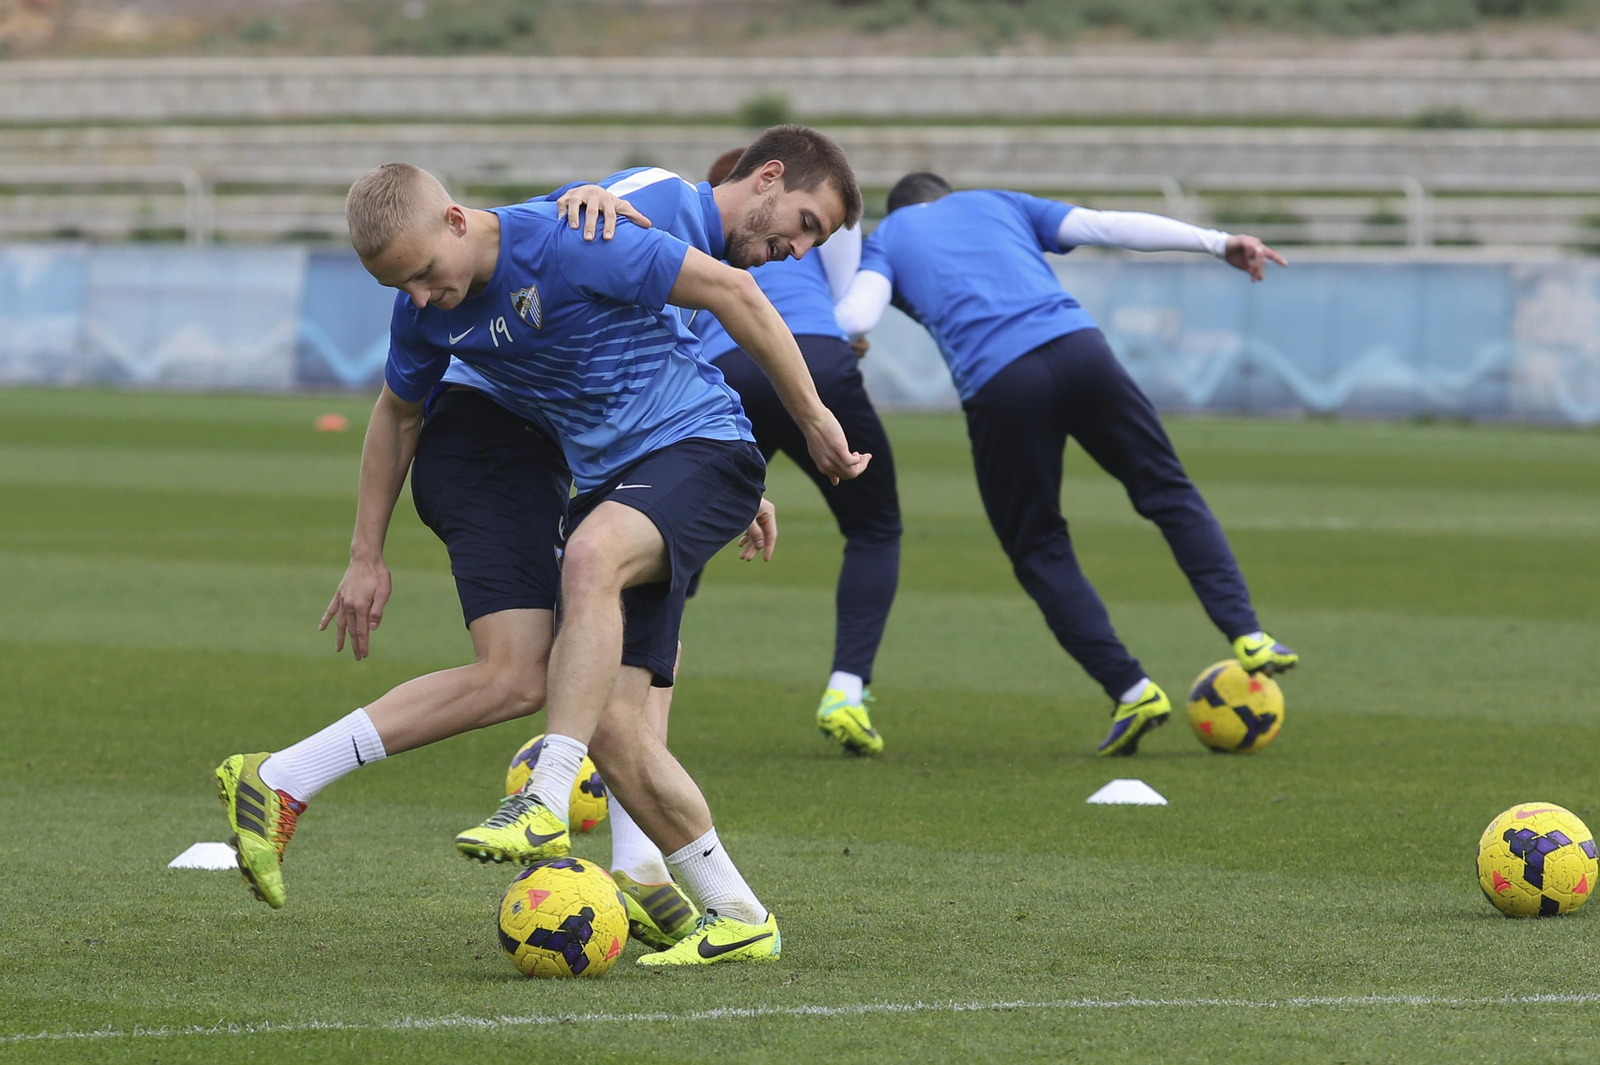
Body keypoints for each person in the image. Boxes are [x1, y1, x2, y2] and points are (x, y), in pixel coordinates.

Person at [217, 155, 866, 967]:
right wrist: (364, 553)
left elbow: (728, 295)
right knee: (616, 723)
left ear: (455, 222)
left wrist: (812, 423)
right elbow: (396, 409)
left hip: (693, 453)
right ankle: (736, 913)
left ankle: (546, 795)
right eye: (400, 286)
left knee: (586, 569)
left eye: (422, 274)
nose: (418, 296)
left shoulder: (583, 236)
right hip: (602, 476)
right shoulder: (428, 310)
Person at [833, 173, 1298, 757]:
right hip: (1081, 350)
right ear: (946, 196)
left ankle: (1131, 689)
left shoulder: (886, 241)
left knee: (1037, 546)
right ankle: (1249, 635)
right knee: (1167, 490)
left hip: (1002, 386)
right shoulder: (998, 203)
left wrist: (809, 333)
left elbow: (857, 316)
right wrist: (1216, 241)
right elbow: (1108, 225)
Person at [529, 139, 899, 756]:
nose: (799, 252)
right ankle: (845, 688)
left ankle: (621, 813)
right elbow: (533, 233)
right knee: (876, 529)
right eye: (805, 224)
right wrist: (577, 193)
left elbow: (679, 371)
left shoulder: (700, 264)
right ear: (767, 178)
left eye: (817, 242)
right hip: (526, 423)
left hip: (669, 414)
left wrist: (741, 479)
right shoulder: (665, 197)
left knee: (652, 596)